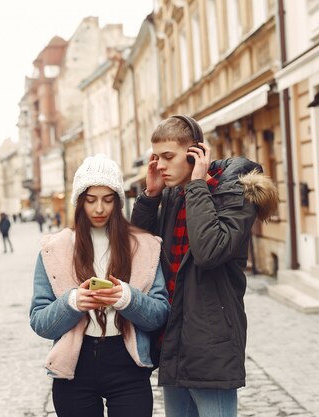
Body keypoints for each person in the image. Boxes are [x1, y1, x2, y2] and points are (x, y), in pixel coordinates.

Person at [130, 115, 279, 417]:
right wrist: (150, 196)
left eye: (168, 157)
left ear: (195, 154)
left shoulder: (235, 193)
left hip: (212, 344)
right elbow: (139, 250)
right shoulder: (173, 193)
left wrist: (197, 184)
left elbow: (209, 251)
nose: (160, 165)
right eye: (156, 157)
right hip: (173, 340)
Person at [30, 154, 170, 417]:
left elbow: (159, 315)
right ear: (79, 201)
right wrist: (73, 303)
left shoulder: (144, 246)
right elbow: (40, 322)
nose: (99, 209)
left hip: (128, 364)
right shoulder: (54, 248)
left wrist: (127, 298)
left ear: (117, 201)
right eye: (91, 200)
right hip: (75, 366)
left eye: (107, 199)